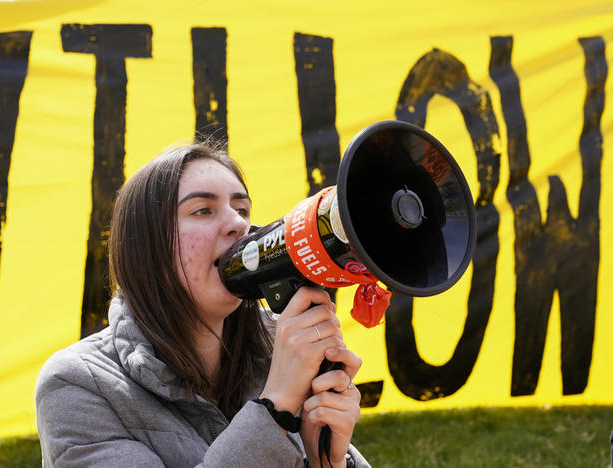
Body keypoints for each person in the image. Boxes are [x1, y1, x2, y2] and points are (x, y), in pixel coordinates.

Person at [35, 141, 370, 467]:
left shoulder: (277, 351)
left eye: (242, 210)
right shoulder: (77, 383)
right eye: (203, 210)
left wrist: (329, 460)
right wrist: (274, 409)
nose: (239, 224)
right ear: (147, 249)